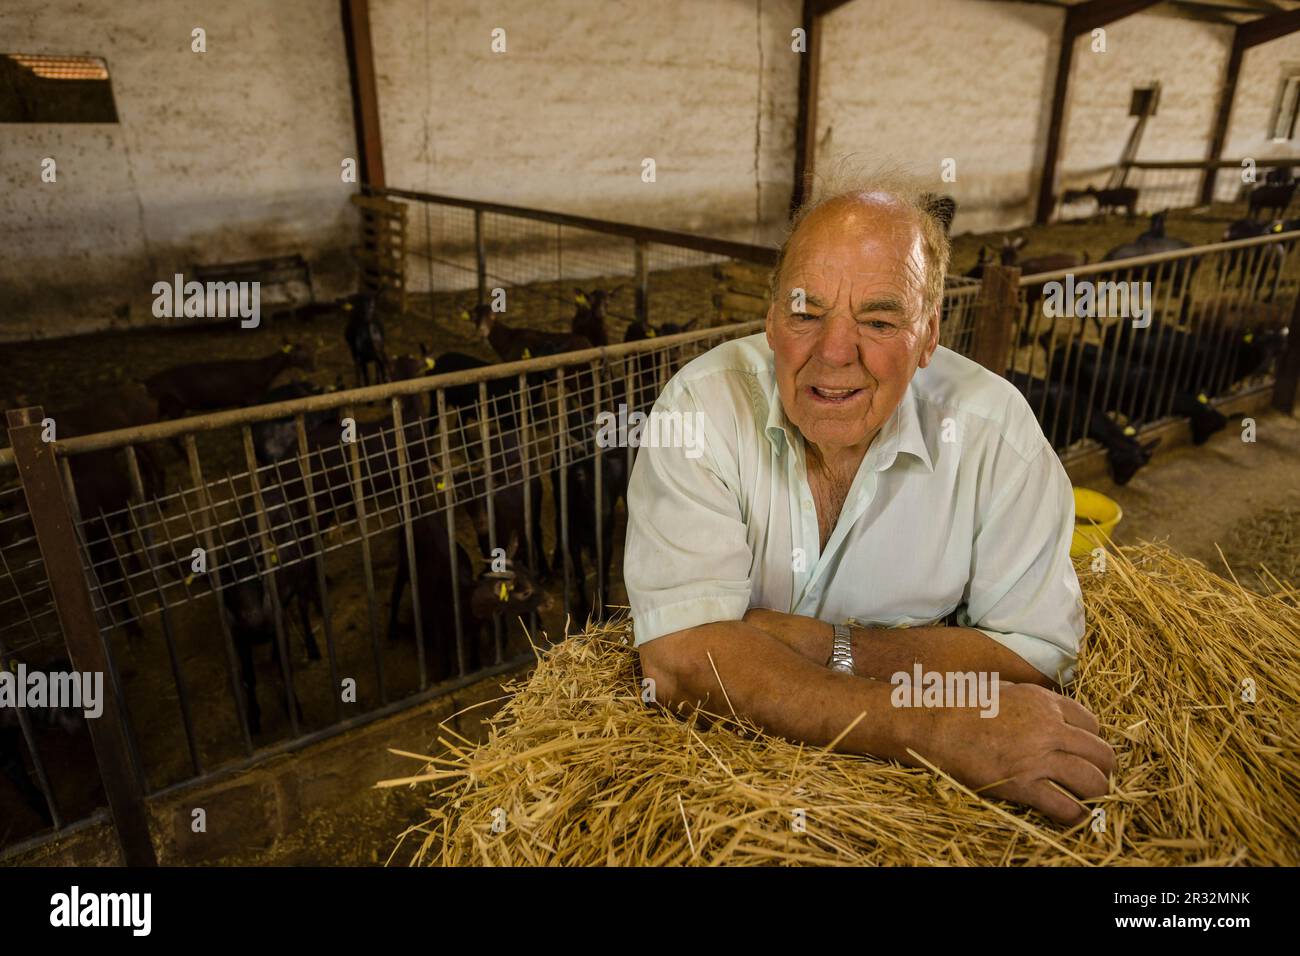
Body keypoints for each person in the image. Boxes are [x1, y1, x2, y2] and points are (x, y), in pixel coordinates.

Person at [622, 175, 1114, 826]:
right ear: (771, 319)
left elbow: (1034, 656)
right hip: (716, 809)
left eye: (879, 319)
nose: (834, 353)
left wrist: (828, 646)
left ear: (929, 333)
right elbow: (682, 660)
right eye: (806, 312)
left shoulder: (998, 436)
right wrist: (930, 727)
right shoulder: (701, 409)